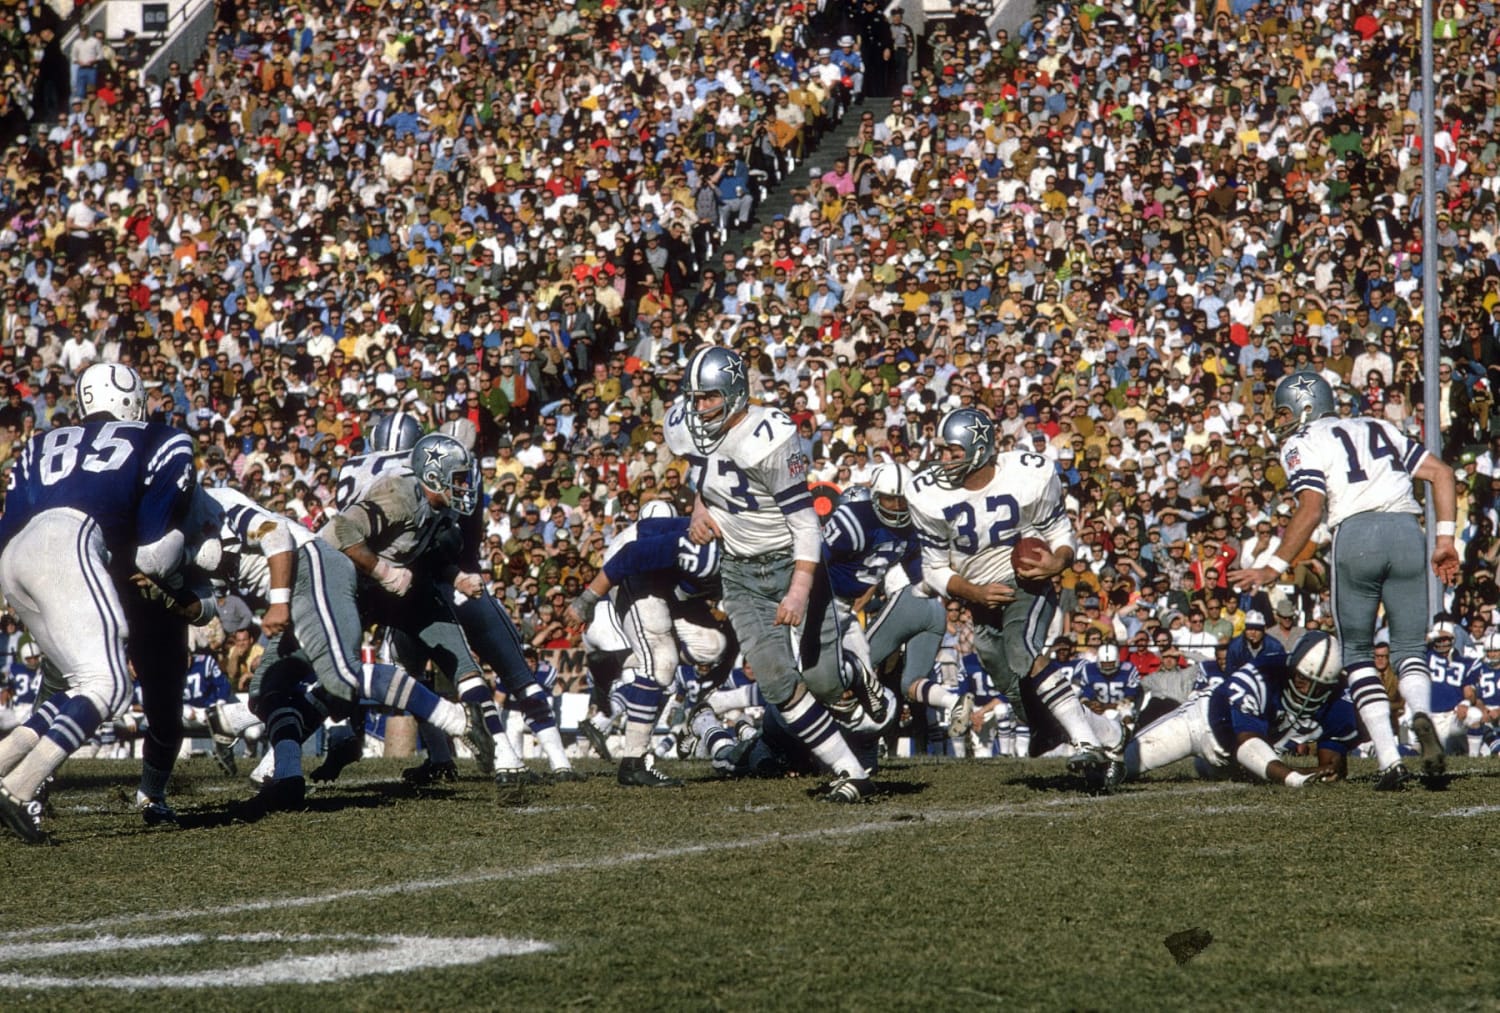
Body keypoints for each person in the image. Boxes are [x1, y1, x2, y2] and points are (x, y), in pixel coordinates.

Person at [0, 363, 201, 844]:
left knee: (67, 686)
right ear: (134, 398)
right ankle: (22, 786)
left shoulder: (41, 443)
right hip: (84, 553)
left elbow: (11, 526)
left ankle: (15, 773)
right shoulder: (160, 439)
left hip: (18, 559)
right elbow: (153, 554)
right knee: (110, 687)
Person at [1231, 371, 1461, 791]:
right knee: (1409, 647)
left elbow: (1312, 508)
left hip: (1355, 536)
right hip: (1409, 532)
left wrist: (1273, 566)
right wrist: (1444, 540)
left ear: (1305, 406)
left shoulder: (1302, 442)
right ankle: (1421, 714)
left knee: (1357, 653)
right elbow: (1443, 473)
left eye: (1283, 410)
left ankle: (1391, 759)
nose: (1279, 420)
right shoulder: (1378, 425)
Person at [675, 345, 877, 803]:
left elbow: (806, 523)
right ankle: (851, 771)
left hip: (791, 562)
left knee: (823, 680)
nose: (699, 406)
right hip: (739, 571)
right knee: (775, 679)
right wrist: (698, 510)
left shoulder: (768, 435)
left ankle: (854, 672)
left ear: (734, 392)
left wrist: (799, 590)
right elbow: (708, 476)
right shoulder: (695, 431)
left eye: (708, 397)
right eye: (695, 397)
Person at [907, 407, 1116, 788]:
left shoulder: (1026, 472)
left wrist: (1058, 563)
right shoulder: (928, 495)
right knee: (1008, 680)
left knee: (1022, 649)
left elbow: (1059, 532)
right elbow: (934, 568)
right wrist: (973, 593)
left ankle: (1086, 742)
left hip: (1026, 583)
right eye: (943, 450)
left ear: (980, 448)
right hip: (980, 596)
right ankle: (1106, 733)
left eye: (953, 451)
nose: (944, 459)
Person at [568, 500, 732, 786]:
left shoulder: (749, 558)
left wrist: (721, 672)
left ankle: (620, 660)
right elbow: (631, 556)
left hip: (670, 580)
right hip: (634, 564)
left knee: (713, 645)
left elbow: (736, 629)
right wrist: (587, 600)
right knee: (660, 661)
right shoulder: (695, 542)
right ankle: (634, 762)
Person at [1122, 632, 1358, 788]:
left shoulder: (1338, 698)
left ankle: (1206, 768)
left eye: (1315, 686)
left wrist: (1329, 770)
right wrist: (1293, 776)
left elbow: (1332, 764)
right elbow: (1247, 743)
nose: (1303, 688)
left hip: (1240, 763)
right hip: (1201, 726)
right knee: (1123, 765)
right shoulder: (1262, 674)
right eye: (1300, 677)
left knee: (1217, 773)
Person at [821, 464, 954, 736]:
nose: (895, 507)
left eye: (901, 499)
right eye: (888, 499)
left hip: (851, 607)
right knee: (832, 677)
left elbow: (919, 574)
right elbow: (815, 561)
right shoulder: (854, 519)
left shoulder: (912, 527)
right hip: (823, 603)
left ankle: (861, 755)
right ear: (874, 497)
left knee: (860, 682)